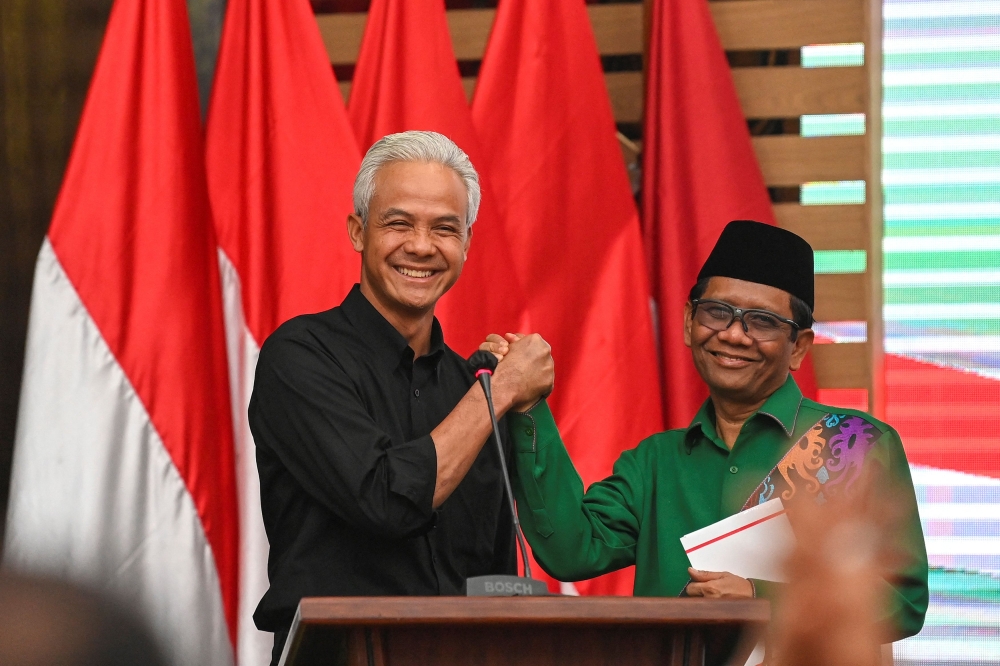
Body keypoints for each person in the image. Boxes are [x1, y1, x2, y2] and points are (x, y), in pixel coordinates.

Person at [485, 220, 928, 641]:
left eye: (763, 321)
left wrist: (762, 601)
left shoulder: (855, 443)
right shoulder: (653, 463)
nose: (734, 334)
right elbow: (570, 550)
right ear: (687, 323)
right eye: (717, 313)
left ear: (799, 348)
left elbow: (903, 601)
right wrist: (527, 406)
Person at [248, 131, 553, 664]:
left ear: (466, 245)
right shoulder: (298, 356)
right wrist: (501, 390)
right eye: (398, 223)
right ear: (358, 231)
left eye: (444, 228)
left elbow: (500, 577)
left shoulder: (472, 389)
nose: (421, 245)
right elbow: (385, 500)